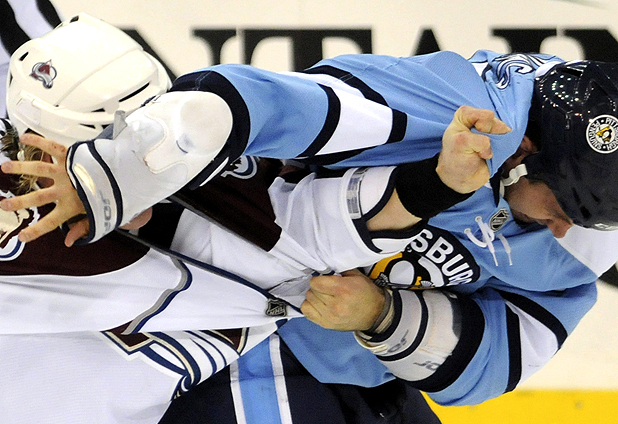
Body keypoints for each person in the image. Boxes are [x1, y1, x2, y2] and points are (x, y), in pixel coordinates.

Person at [5, 15, 618, 410]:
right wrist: (114, 178)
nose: (566, 230)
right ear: (526, 154)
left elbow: (502, 354)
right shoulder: (455, 107)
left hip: (352, 373)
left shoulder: (593, 212)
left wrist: (383, 315)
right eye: (562, 207)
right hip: (245, 361)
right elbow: (266, 109)